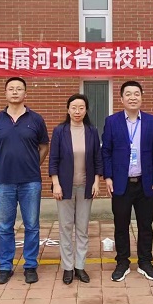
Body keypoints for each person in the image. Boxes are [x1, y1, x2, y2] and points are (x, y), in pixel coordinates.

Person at [0, 77, 49, 285]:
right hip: (4, 181)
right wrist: (3, 163)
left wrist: (33, 164)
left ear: (25, 93)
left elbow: (44, 146)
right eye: (11, 89)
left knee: (32, 225)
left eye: (19, 89)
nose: (15, 92)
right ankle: (5, 266)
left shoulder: (36, 119)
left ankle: (30, 265)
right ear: (5, 93)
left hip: (30, 181)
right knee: (5, 226)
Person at [102, 81, 153, 282]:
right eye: (128, 94)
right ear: (121, 99)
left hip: (145, 182)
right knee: (121, 224)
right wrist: (108, 177)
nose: (132, 97)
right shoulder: (112, 121)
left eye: (136, 93)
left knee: (146, 225)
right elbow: (106, 151)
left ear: (142, 97)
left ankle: (145, 262)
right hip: (121, 183)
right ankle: (122, 262)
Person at [49, 94, 103, 285]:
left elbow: (97, 158)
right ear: (68, 110)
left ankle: (80, 266)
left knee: (82, 228)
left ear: (86, 110)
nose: (77, 111)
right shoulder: (60, 131)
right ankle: (67, 267)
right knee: (65, 228)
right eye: (74, 107)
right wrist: (56, 183)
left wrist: (96, 182)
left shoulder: (91, 131)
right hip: (64, 187)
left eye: (81, 108)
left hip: (86, 187)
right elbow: (53, 159)